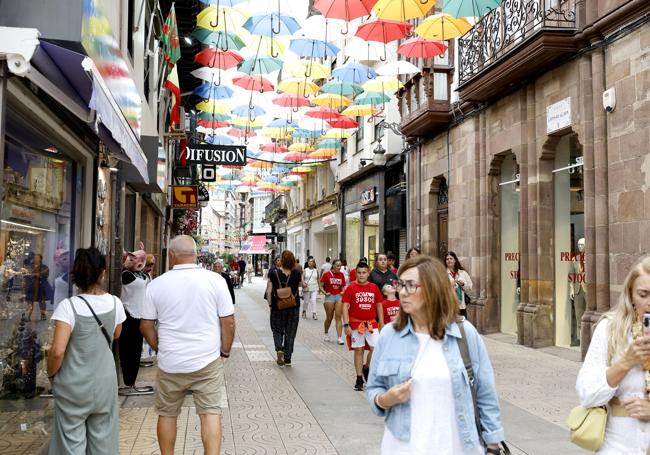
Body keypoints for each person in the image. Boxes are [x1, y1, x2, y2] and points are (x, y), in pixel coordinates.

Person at [367, 255, 504, 454]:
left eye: (411, 285)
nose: (402, 293)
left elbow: (485, 393)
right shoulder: (389, 335)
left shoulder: (465, 334)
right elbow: (373, 389)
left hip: (457, 446)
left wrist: (493, 446)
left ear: (433, 289)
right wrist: (386, 399)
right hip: (403, 447)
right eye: (400, 284)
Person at [141, 235, 235, 455]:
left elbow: (145, 326)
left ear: (171, 255)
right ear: (195, 254)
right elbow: (228, 322)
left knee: (167, 413)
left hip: (170, 363)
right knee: (210, 412)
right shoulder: (215, 280)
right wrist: (225, 351)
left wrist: (160, 349)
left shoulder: (156, 285)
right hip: (207, 361)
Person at [48, 247, 126, 454]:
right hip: (104, 383)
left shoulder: (68, 307)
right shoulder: (115, 303)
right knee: (103, 439)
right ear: (102, 272)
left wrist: (51, 373)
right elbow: (116, 334)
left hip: (73, 386)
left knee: (71, 441)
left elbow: (57, 351)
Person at [576, 257, 650, 454]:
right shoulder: (609, 329)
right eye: (643, 294)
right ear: (630, 295)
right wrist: (626, 362)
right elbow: (587, 393)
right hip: (618, 446)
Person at [342, 262, 383, 391]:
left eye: (364, 272)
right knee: (358, 350)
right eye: (359, 273)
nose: (361, 275)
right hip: (356, 324)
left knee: (376, 348)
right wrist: (346, 324)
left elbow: (379, 305)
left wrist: (381, 322)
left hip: (371, 323)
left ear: (368, 273)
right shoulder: (351, 288)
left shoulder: (374, 287)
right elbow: (345, 306)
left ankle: (367, 366)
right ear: (356, 273)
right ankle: (359, 378)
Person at [119, 243, 153, 396]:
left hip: (140, 315)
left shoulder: (143, 275)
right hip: (127, 315)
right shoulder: (126, 275)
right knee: (127, 350)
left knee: (136, 350)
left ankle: (131, 382)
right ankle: (127, 382)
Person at [265, 250, 302, 367]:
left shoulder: (273, 273)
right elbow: (301, 285)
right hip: (293, 306)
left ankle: (279, 349)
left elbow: (269, 291)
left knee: (277, 329)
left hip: (277, 306)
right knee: (291, 332)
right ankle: (288, 358)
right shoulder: (296, 273)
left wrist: (271, 305)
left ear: (281, 260)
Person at [320, 259, 346, 345]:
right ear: (333, 265)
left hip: (338, 296)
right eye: (337, 265)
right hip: (329, 297)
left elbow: (343, 286)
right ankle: (326, 333)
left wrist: (343, 291)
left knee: (338, 317)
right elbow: (320, 285)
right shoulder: (327, 274)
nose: (339, 267)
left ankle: (339, 338)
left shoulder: (341, 275)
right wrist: (325, 292)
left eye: (340, 266)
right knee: (329, 318)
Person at [445, 251, 473, 318]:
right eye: (447, 259)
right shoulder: (442, 273)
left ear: (455, 260)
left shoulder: (463, 273)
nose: (449, 260)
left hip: (461, 306)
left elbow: (469, 288)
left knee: (462, 326)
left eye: (451, 258)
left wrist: (463, 284)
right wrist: (449, 286)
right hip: (448, 306)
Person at [25, 253, 51, 321]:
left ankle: (43, 315)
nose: (35, 258)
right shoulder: (30, 267)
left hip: (40, 287)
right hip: (31, 287)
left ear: (40, 259)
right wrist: (31, 275)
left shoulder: (44, 267)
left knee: (42, 301)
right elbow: (26, 275)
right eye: (35, 257)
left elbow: (46, 274)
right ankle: (28, 316)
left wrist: (38, 274)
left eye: (37, 257)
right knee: (30, 301)